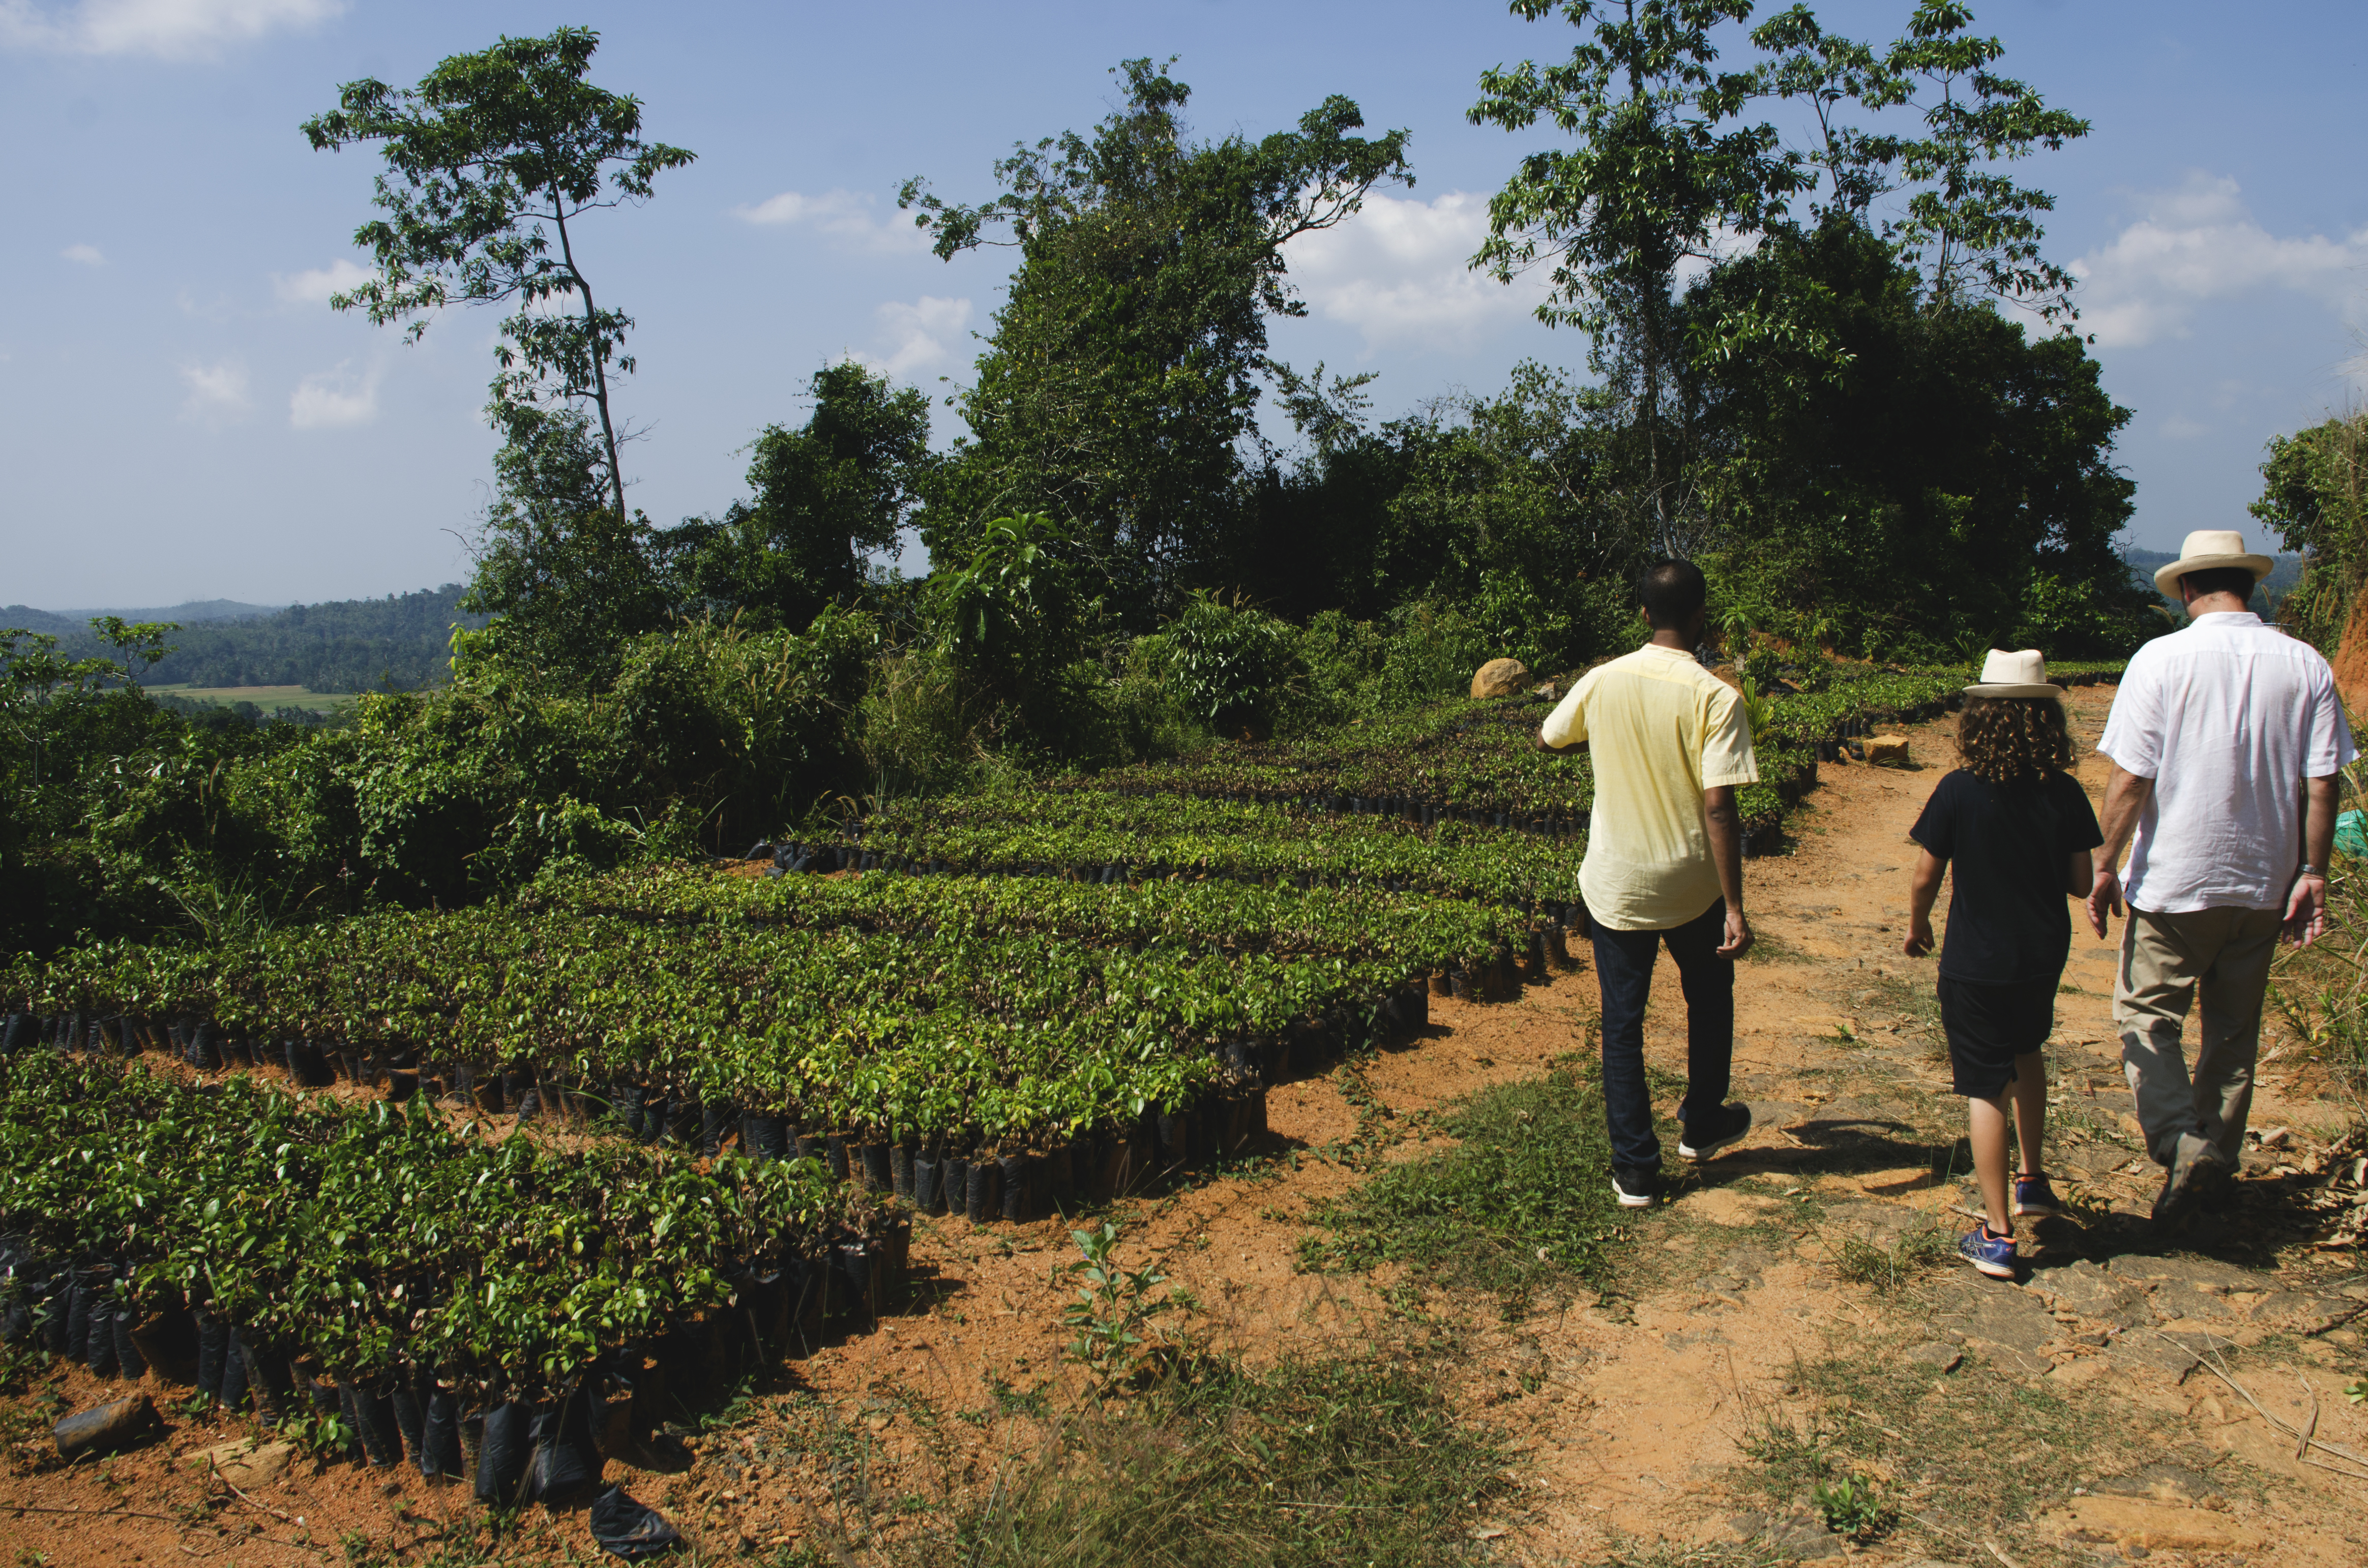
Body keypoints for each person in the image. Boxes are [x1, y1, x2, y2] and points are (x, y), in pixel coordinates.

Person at [2088, 529, 2355, 1227]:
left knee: (2147, 1018)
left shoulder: (2161, 660)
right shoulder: (2305, 664)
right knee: (2233, 1036)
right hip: (2264, 882)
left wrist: (2104, 863)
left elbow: (2132, 778)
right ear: (2251, 585)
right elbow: (2322, 783)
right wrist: (2314, 874)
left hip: (2176, 878)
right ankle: (2212, 1176)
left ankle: (2182, 1142)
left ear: (2184, 590)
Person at [1536, 559, 1758, 1208]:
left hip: (1618, 886)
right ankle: (1703, 1123)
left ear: (1641, 614)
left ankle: (1636, 1171)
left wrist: (1602, 741)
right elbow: (1719, 807)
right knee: (1710, 999)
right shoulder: (1715, 696)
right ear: (1701, 618)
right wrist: (1736, 906)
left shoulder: (1603, 680)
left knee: (1623, 1025)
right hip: (1691, 886)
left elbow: (1549, 740)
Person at [1903, 650, 2103, 1279]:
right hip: (2041, 953)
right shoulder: (2065, 792)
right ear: (2047, 723)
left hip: (1977, 959)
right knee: (2027, 1052)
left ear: (1978, 720)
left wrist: (1917, 925)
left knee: (1985, 1084)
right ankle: (2032, 1179)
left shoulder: (1959, 790)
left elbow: (1925, 873)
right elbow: (2079, 881)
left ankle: (1997, 1234)